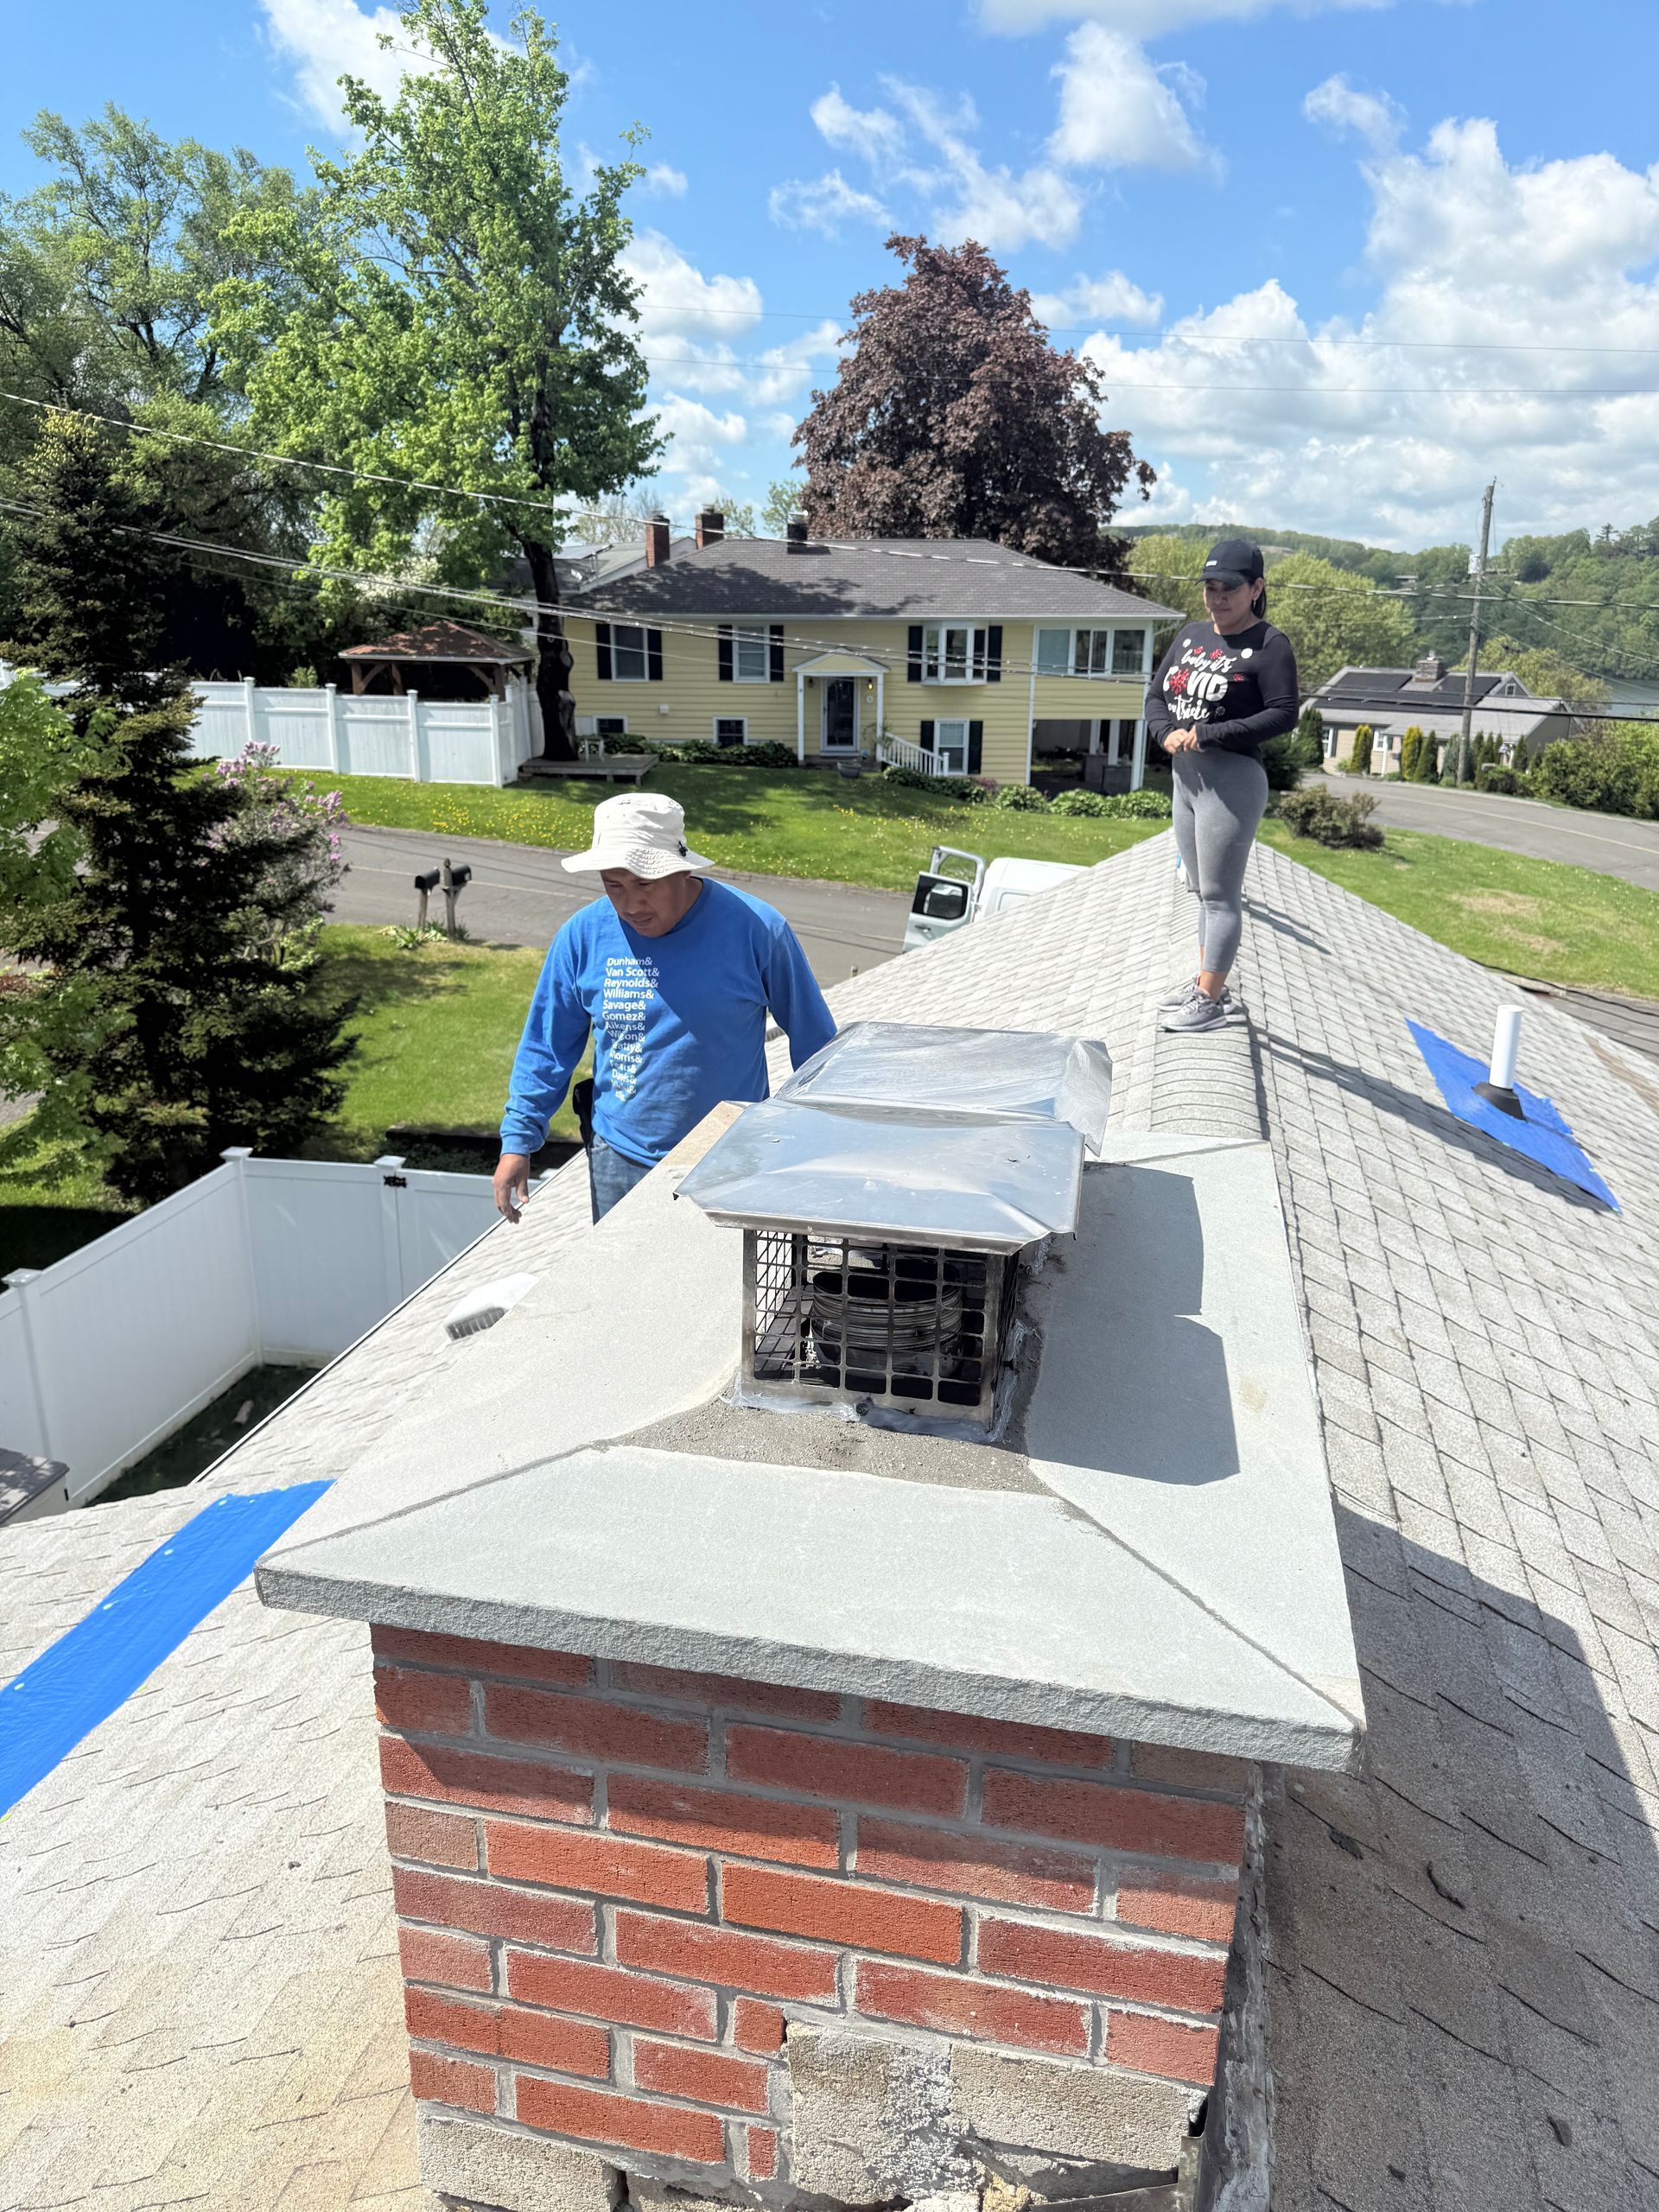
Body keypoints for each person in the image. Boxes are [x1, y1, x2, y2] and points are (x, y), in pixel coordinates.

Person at [494, 791, 836, 1224]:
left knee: (726, 1287)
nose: (631, 905)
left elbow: (816, 1040)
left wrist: (819, 1136)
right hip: (619, 1160)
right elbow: (547, 1047)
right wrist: (518, 1141)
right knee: (627, 1287)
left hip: (729, 1158)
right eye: (613, 885)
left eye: (644, 883)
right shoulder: (581, 937)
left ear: (683, 869)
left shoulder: (757, 929)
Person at [1144, 537, 1299, 1034]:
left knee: (1219, 894)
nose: (1217, 598)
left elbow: (1283, 715)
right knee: (1198, 890)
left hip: (1231, 783)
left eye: (1229, 588)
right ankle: (1207, 983)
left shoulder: (1271, 646)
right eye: (1210, 588)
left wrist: (1210, 733)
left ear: (1256, 588)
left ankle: (1210, 1000)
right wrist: (1164, 732)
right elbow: (1156, 694)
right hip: (1185, 781)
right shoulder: (1190, 637)